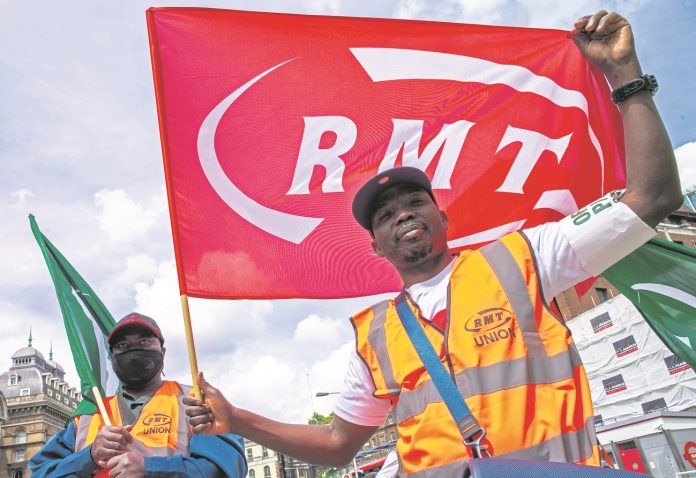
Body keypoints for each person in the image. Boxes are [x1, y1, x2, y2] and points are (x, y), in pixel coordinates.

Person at [183, 10, 682, 476]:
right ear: (375, 246)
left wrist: (624, 75)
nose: (402, 213)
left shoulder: (528, 256)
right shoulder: (373, 337)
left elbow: (653, 197)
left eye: (414, 202)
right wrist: (238, 418)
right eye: (384, 215)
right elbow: (338, 444)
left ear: (442, 217)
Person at [30, 312, 247, 477]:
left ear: (162, 351)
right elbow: (40, 471)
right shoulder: (87, 416)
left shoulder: (195, 402)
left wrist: (149, 469)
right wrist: (89, 457)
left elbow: (226, 468)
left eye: (144, 342)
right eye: (122, 345)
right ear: (112, 358)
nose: (133, 350)